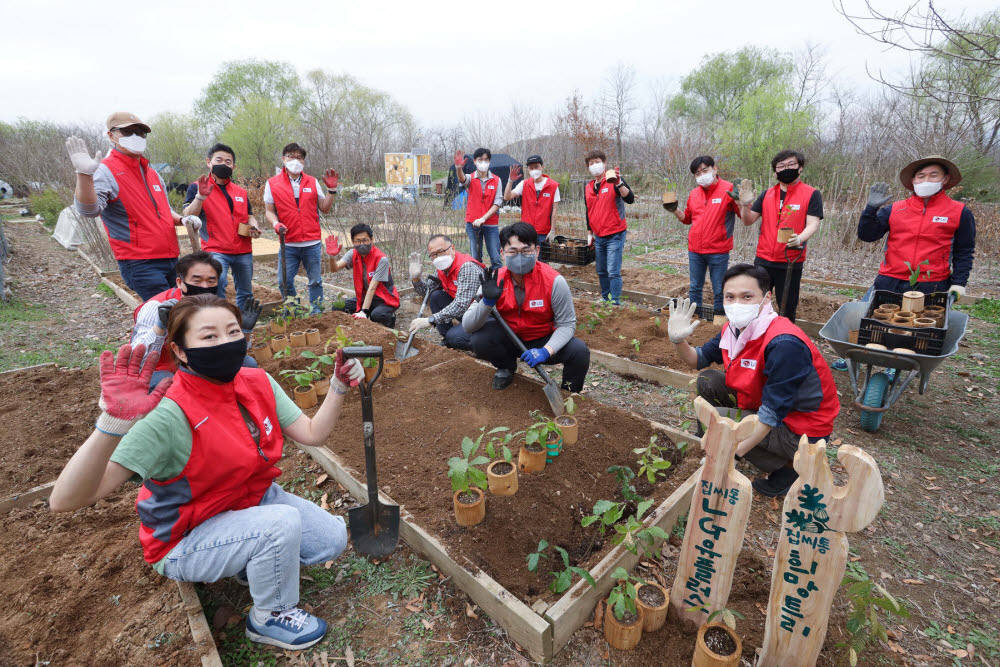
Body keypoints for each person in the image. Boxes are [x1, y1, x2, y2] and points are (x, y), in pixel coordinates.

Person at [49, 294, 366, 650]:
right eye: (209, 336)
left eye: (232, 331)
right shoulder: (168, 413)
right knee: (280, 523)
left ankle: (253, 560)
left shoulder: (255, 382)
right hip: (186, 534)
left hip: (246, 503)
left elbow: (313, 434)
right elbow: (65, 500)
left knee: (331, 539)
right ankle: (269, 616)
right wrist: (112, 423)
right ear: (181, 351)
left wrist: (338, 386)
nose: (226, 343)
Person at [666, 264, 840, 497]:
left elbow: (770, 417)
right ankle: (712, 446)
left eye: (747, 296)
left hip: (801, 429)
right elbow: (698, 360)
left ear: (766, 298)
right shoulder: (733, 329)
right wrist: (678, 341)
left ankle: (791, 467)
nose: (737, 303)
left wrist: (732, 456)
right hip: (767, 405)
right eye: (730, 297)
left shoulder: (784, 344)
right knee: (708, 379)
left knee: (717, 421)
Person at [830, 156, 977, 372]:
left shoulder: (959, 212)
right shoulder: (896, 209)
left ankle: (897, 363)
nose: (927, 179)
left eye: (933, 175)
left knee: (916, 329)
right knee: (868, 320)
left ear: (945, 179)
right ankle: (856, 355)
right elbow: (867, 235)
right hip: (890, 279)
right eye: (921, 176)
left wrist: (959, 283)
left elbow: (964, 251)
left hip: (932, 284)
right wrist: (870, 209)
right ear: (913, 181)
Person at [67, 112, 201, 300]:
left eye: (140, 133)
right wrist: (84, 175)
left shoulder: (152, 173)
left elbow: (163, 211)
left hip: (171, 257)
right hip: (141, 263)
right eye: (128, 132)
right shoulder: (105, 171)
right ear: (111, 136)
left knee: (176, 314)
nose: (136, 137)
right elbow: (89, 210)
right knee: (169, 314)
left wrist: (182, 219)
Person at [463, 222, 591, 391]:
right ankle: (506, 367)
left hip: (542, 337)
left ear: (537, 251)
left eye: (526, 251)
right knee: (479, 340)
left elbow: (567, 324)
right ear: (502, 254)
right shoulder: (494, 280)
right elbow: (467, 325)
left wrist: (546, 351)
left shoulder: (554, 281)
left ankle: (569, 393)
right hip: (509, 336)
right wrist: (487, 302)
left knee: (579, 352)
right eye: (513, 252)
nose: (520, 257)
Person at [131, 252, 263, 390]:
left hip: (199, 363)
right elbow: (136, 359)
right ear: (180, 282)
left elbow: (229, 349)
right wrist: (160, 326)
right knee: (167, 382)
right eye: (197, 281)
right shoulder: (157, 306)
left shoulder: (214, 307)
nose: (204, 287)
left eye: (211, 281)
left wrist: (245, 332)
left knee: (248, 364)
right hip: (164, 370)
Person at [736, 150, 823, 323]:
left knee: (787, 307)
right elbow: (747, 220)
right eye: (781, 166)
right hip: (763, 259)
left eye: (791, 164)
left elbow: (813, 223)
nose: (786, 169)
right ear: (775, 172)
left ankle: (784, 338)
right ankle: (755, 336)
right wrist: (744, 205)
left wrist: (800, 238)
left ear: (800, 168)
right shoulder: (767, 194)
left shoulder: (811, 194)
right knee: (756, 303)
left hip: (790, 259)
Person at [182, 143, 261, 310]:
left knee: (246, 291)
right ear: (209, 162)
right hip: (216, 249)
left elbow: (250, 215)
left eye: (228, 161)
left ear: (233, 166)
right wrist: (200, 197)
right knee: (218, 285)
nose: (224, 164)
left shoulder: (241, 192)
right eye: (219, 160)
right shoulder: (197, 187)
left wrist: (253, 226)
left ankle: (244, 328)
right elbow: (188, 215)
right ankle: (221, 321)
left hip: (243, 249)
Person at [264, 143, 339, 314]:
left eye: (299, 158)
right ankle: (294, 310)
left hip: (311, 242)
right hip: (288, 243)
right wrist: (276, 224)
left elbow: (325, 208)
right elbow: (269, 211)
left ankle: (317, 313)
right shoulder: (272, 184)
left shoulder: (312, 182)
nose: (295, 161)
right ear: (284, 159)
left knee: (315, 281)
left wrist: (331, 191)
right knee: (284, 281)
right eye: (291, 157)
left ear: (304, 162)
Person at [668, 156, 740, 317]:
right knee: (695, 286)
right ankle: (696, 316)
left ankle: (719, 319)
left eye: (705, 170)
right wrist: (675, 210)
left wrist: (743, 201)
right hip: (695, 249)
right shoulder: (694, 194)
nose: (702, 175)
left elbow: (744, 215)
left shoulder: (729, 189)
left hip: (718, 250)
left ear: (715, 169)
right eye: (697, 173)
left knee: (719, 288)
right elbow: (687, 219)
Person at [406, 235, 484, 350]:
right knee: (435, 296)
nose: (438, 257)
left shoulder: (466, 267)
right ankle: (448, 338)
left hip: (482, 316)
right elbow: (427, 292)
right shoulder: (442, 269)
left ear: (452, 248)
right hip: (466, 313)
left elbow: (460, 305)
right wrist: (416, 279)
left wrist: (430, 320)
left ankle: (482, 341)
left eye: (441, 252)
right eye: (433, 255)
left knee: (455, 337)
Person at [583, 150, 634, 304]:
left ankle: (615, 302)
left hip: (615, 234)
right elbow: (588, 211)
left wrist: (619, 183)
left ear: (604, 163)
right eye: (591, 163)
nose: (594, 165)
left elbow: (630, 198)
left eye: (597, 162)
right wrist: (589, 235)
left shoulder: (613, 180)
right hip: (598, 236)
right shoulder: (588, 187)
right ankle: (606, 298)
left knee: (613, 271)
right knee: (601, 271)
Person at [327, 224, 400, 328]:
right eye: (358, 241)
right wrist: (331, 257)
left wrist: (364, 311)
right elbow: (334, 268)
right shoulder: (353, 254)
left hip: (384, 299)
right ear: (353, 242)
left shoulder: (381, 259)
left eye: (365, 240)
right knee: (337, 308)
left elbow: (373, 287)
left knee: (377, 316)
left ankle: (390, 317)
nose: (362, 244)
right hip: (364, 297)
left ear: (372, 240)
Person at [454, 147, 503, 269]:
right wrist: (458, 168)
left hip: (491, 224)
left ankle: (498, 283)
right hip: (472, 224)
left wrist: (483, 218)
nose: (483, 162)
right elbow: (462, 179)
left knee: (496, 258)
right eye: (480, 160)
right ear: (474, 161)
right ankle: (479, 283)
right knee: (476, 258)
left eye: (486, 160)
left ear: (490, 161)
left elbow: (497, 203)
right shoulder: (471, 178)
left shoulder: (497, 180)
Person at [503, 154, 561, 244]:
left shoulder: (553, 186)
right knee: (526, 256)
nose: (534, 170)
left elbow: (555, 210)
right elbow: (507, 197)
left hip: (543, 231)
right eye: (531, 168)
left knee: (541, 257)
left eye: (536, 167)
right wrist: (510, 181)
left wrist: (552, 231)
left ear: (542, 167)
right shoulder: (524, 184)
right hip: (526, 230)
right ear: (528, 170)